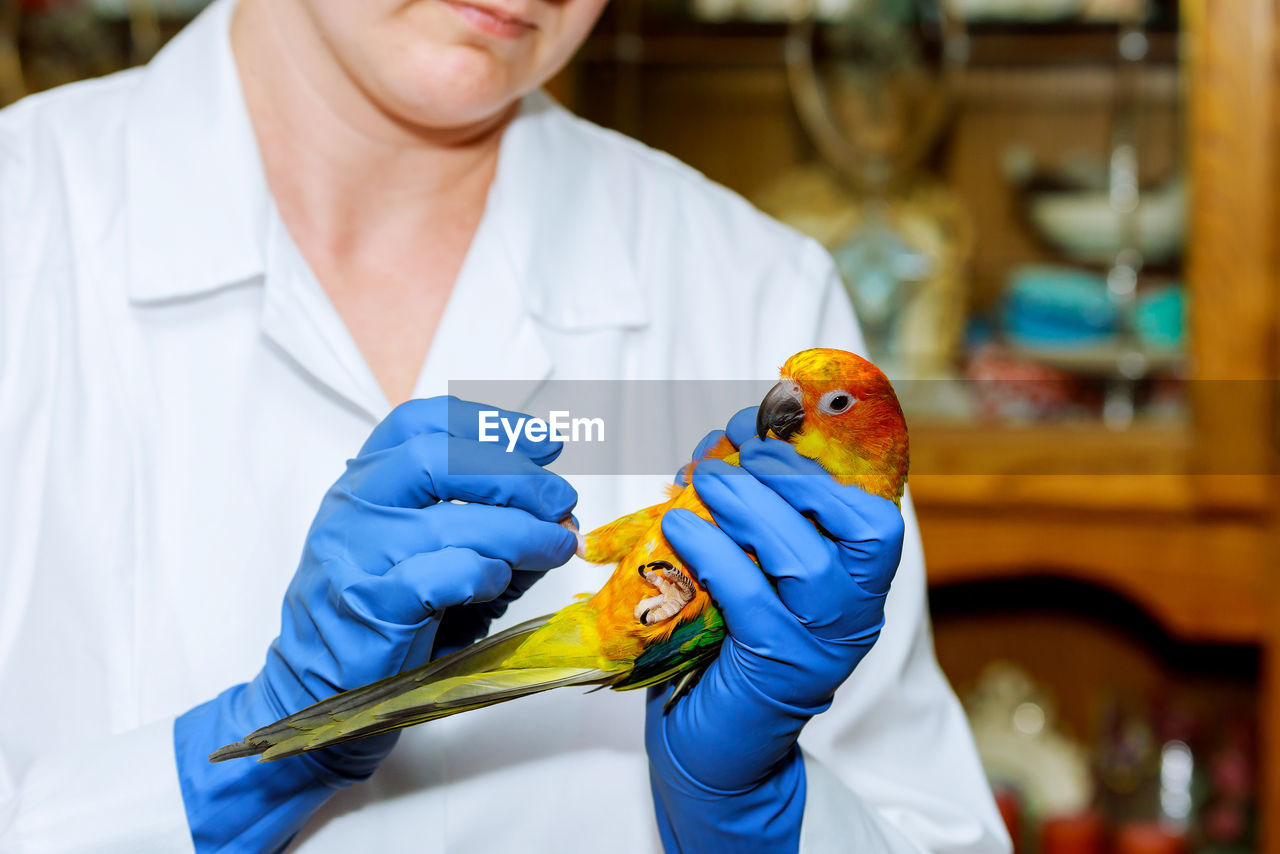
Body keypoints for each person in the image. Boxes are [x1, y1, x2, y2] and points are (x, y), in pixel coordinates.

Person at [0, 0, 1010, 850]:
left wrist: (755, 811)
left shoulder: (754, 292)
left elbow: (921, 820)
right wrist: (227, 771)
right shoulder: (27, 221)